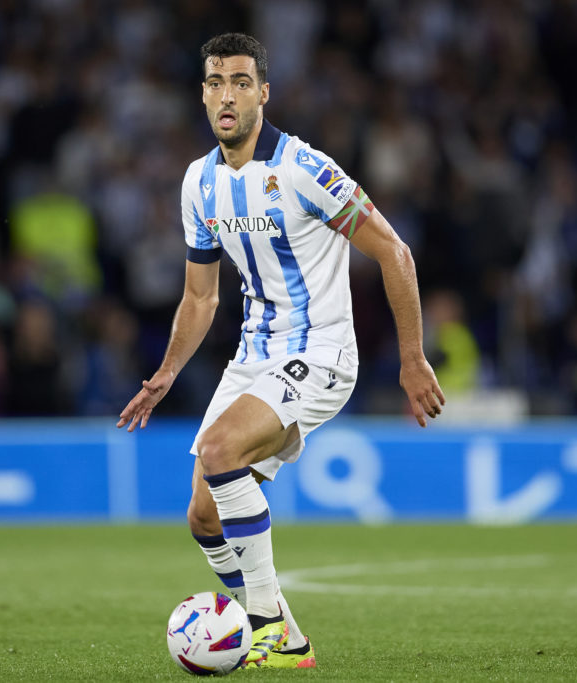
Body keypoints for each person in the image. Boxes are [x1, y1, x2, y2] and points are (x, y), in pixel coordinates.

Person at [117, 32, 445, 669]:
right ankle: (289, 642)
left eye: (241, 82)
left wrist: (412, 358)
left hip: (322, 351)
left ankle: (262, 619)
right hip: (254, 354)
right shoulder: (198, 184)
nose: (227, 95)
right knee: (204, 518)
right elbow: (201, 298)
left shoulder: (304, 170)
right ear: (203, 96)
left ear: (264, 93)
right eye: (215, 82)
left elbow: (394, 252)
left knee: (219, 450)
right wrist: (165, 373)